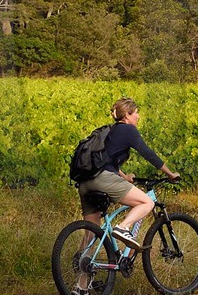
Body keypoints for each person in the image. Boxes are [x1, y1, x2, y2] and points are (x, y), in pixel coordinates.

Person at [76, 97, 179, 271]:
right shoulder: (128, 130)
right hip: (103, 179)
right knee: (147, 202)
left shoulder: (110, 130)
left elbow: (106, 160)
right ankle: (123, 228)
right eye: (136, 113)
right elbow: (147, 152)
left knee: (91, 235)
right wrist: (170, 173)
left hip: (86, 182)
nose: (138, 116)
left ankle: (81, 282)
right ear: (127, 115)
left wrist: (124, 176)